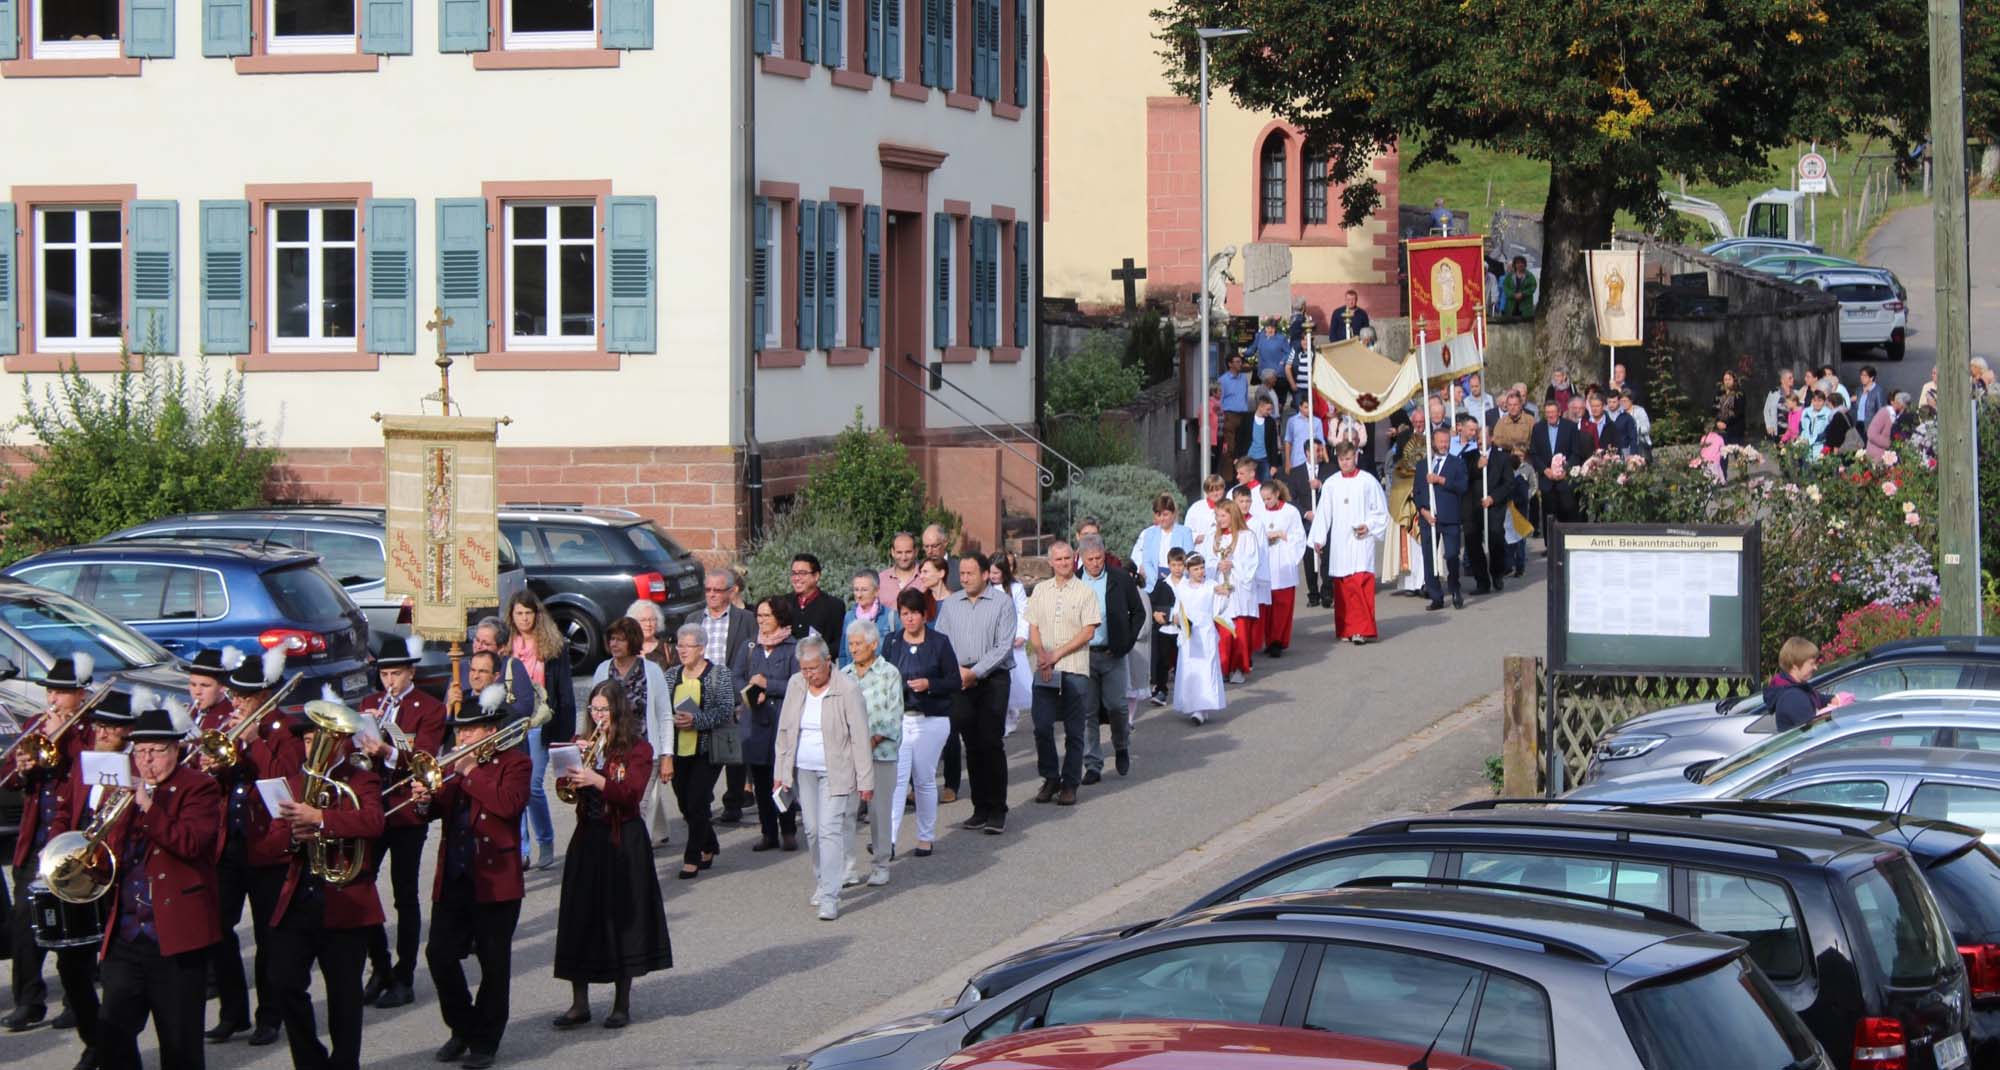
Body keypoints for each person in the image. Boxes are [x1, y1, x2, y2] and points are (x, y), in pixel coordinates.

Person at [93, 698, 220, 1070]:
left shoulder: (199, 787)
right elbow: (107, 852)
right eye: (140, 751)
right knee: (112, 1035)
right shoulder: (122, 789)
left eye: (156, 751)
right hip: (126, 935)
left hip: (176, 935)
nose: (146, 760)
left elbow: (191, 843)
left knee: (179, 1045)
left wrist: (148, 807)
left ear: (176, 750)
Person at [408, 684, 529, 1070]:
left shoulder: (515, 763)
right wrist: (425, 799)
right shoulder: (454, 764)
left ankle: (486, 1041)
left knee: (494, 963)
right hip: (456, 876)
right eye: (459, 731)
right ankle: (463, 1026)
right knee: (439, 955)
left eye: (469, 730)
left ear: (490, 731)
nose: (461, 738)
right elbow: (438, 809)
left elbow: (508, 805)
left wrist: (471, 772)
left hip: (496, 877)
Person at [268, 696, 385, 1070]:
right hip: (300, 898)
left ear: (343, 740)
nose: (314, 746)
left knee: (344, 995)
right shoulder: (291, 784)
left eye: (322, 738)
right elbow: (268, 842)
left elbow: (373, 823)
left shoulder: (362, 779)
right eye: (307, 740)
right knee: (283, 982)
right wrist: (292, 837)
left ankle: (345, 1063)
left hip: (346, 898)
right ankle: (310, 1062)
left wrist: (320, 818)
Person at [550, 680, 673, 1027]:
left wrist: (597, 778)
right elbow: (567, 789)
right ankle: (579, 1003)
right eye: (594, 709)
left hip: (623, 840)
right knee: (580, 916)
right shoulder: (584, 743)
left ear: (618, 710)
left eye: (604, 710)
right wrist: (571, 769)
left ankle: (621, 1003)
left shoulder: (639, 749)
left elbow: (631, 794)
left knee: (622, 919)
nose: (598, 716)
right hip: (588, 837)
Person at [203, 648, 300, 1046]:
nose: (237, 704)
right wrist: (215, 767)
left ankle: (269, 1015)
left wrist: (256, 742)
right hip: (230, 843)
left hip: (268, 845)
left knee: (267, 937)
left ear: (263, 696)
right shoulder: (228, 726)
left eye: (244, 697)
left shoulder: (285, 730)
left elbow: (285, 781)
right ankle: (232, 1013)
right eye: (235, 696)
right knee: (218, 929)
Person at [43, 690, 138, 1069]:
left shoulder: (137, 767)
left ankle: (113, 1047)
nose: (101, 733)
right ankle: (94, 1039)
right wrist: (58, 847)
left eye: (110, 727)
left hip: (116, 876)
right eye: (98, 725)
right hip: (80, 873)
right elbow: (64, 809)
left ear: (128, 731)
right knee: (70, 966)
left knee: (115, 974)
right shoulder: (85, 762)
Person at [1, 655, 94, 1033]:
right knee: (24, 922)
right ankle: (28, 1000)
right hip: (35, 839)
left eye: (61, 692)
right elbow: (9, 777)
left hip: (70, 840)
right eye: (50, 691)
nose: (53, 699)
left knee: (74, 928)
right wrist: (21, 770)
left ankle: (75, 1001)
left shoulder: (90, 732)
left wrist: (62, 738)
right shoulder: (34, 725)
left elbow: (87, 774)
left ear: (81, 694)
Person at [356, 635, 446, 1012]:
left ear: (410, 672)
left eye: (395, 674)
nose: (389, 682)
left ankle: (404, 976)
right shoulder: (370, 704)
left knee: (404, 894)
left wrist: (387, 750)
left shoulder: (429, 708)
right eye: (384, 675)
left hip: (407, 809)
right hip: (371, 806)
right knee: (360, 884)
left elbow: (425, 758)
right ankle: (380, 966)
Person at [772, 638, 874, 920]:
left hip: (836, 771)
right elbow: (784, 731)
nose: (808, 675)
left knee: (829, 830)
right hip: (803, 770)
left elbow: (860, 736)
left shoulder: (847, 689)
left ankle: (830, 894)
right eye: (804, 669)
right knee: (813, 830)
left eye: (813, 668)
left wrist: (865, 780)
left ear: (828, 662)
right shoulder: (796, 684)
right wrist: (780, 773)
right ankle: (822, 880)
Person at [935, 554, 1017, 831]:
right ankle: (980, 807)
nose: (965, 578)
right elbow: (941, 641)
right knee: (971, 744)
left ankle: (997, 809)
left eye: (970, 573)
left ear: (985, 574)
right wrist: (956, 672)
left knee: (991, 742)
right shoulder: (951, 604)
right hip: (960, 678)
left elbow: (1003, 646)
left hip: (992, 678)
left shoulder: (1002, 603)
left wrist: (976, 672)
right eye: (962, 573)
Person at [883, 588, 960, 855]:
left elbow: (954, 681)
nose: (909, 619)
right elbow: (883, 676)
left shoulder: (939, 642)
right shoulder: (892, 642)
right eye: (904, 613)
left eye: (914, 613)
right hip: (900, 719)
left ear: (925, 615)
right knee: (897, 780)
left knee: (924, 779)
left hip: (932, 719)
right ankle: (888, 841)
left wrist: (930, 684)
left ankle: (925, 837)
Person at [1025, 541, 1100, 808]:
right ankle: (1050, 777)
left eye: (1068, 558)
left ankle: (1070, 783)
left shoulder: (1085, 592)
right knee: (1042, 725)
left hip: (1074, 668)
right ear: (1050, 562)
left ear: (1074, 558)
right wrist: (1042, 655)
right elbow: (1033, 627)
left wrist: (1057, 654)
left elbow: (1088, 631)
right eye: (1058, 559)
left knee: (1074, 731)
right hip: (1045, 669)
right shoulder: (1040, 590)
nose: (1064, 563)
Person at [505, 590, 575, 873]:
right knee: (515, 786)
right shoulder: (507, 645)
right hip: (512, 724)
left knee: (532, 786)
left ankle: (545, 841)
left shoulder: (553, 646)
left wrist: (566, 734)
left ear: (537, 615)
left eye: (528, 613)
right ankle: (521, 849)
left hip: (541, 722)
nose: (524, 619)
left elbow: (565, 692)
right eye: (519, 613)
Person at [588, 618, 673, 847]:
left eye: (620, 639)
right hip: (611, 752)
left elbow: (664, 714)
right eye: (612, 639)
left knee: (638, 807)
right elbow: (594, 710)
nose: (614, 644)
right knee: (614, 804)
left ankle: (637, 854)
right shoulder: (603, 669)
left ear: (632, 641)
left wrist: (667, 755)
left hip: (643, 751)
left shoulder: (651, 670)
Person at [661, 623, 736, 881]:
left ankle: (692, 857)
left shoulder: (719, 674)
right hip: (679, 750)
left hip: (708, 749)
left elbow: (725, 709)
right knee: (685, 803)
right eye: (679, 645)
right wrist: (673, 720)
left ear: (701, 648)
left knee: (697, 801)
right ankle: (710, 842)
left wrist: (696, 720)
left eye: (688, 646)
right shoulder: (671, 675)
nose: (682, 651)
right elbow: (662, 709)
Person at [732, 597, 801, 852]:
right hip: (755, 723)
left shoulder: (793, 647)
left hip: (781, 721)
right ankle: (768, 832)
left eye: (766, 616)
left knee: (782, 778)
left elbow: (798, 682)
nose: (761, 621)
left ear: (779, 618)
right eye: (759, 616)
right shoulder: (750, 646)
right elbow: (736, 676)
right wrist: (750, 692)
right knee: (761, 782)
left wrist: (768, 685)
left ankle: (788, 830)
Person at [1075, 537, 1146, 784]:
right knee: (1088, 711)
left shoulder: (1119, 579)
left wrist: (1126, 642)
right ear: (1082, 559)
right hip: (1084, 655)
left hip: (1112, 654)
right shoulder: (1075, 581)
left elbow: (1138, 612)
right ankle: (1092, 764)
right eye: (1090, 559)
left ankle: (1121, 745)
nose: (1095, 563)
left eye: (1099, 558)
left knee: (1117, 706)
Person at [692, 570, 757, 824]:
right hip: (700, 693)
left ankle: (733, 802)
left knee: (732, 752)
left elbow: (753, 653)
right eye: (708, 589)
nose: (711, 595)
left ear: (731, 592)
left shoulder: (746, 619)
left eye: (717, 590)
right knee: (701, 753)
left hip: (732, 692)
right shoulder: (694, 618)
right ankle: (702, 802)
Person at [1309, 442, 1391, 643]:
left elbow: (1381, 511)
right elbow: (1323, 513)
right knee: (1343, 587)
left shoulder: (1368, 481)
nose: (1345, 463)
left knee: (1360, 584)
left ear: (1355, 457)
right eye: (1341, 459)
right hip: (1340, 543)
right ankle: (1346, 628)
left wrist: (1369, 526)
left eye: (1348, 459)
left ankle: (1361, 630)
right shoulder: (1331, 483)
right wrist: (1319, 538)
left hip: (1361, 541)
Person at [843, 620, 903, 886]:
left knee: (879, 812)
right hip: (849, 755)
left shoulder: (889, 673)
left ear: (874, 644)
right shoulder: (843, 674)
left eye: (858, 644)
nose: (853, 649)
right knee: (846, 812)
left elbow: (894, 715)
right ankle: (847, 868)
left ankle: (881, 864)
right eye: (851, 644)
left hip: (881, 753)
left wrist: (871, 739)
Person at [1457, 413, 1515, 596]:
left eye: (1484, 437)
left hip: (1493, 506)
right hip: (1473, 506)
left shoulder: (1502, 458)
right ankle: (1482, 581)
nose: (1480, 441)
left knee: (1496, 539)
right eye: (1478, 438)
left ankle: (1497, 573)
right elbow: (1463, 477)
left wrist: (1493, 498)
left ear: (1491, 438)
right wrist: (1477, 467)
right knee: (1473, 543)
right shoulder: (1469, 456)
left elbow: (1509, 484)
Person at [1416, 425, 1469, 611]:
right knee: (1429, 558)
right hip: (1428, 519)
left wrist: (1441, 480)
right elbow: (1417, 492)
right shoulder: (1423, 465)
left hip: (1450, 518)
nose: (1444, 445)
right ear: (1433, 443)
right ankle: (1436, 596)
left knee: (1452, 555)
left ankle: (1455, 589)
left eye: (1446, 442)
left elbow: (1462, 486)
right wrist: (1424, 511)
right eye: (1440, 442)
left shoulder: (1457, 463)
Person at [446, 617, 535, 725]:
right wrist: (449, 706)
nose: (478, 647)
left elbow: (524, 709)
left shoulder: (513, 666)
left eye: (486, 644)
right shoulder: (462, 667)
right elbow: (447, 711)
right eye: (477, 640)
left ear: (501, 648)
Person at [1211, 500, 1263, 684]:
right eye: (1217, 516)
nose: (1220, 519)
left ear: (1232, 515)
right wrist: (1217, 566)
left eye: (1223, 515)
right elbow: (1207, 561)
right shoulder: (1215, 538)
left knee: (1239, 632)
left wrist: (1233, 564)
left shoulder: (1247, 536)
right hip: (1221, 591)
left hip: (1240, 591)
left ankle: (1238, 668)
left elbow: (1252, 562)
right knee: (1224, 632)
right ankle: (1223, 667)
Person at [1171, 554, 1225, 724]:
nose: (1200, 572)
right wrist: (1177, 618)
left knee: (1206, 669)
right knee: (1191, 669)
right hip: (1189, 634)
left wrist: (1225, 593)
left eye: (1202, 568)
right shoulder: (1182, 587)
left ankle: (1202, 708)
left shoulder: (1210, 585)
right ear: (1188, 570)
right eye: (1196, 569)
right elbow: (1177, 608)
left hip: (1205, 633)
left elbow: (1220, 604)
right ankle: (1193, 704)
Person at [1255, 482, 1306, 657]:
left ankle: (1278, 640)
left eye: (1269, 498)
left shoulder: (1291, 512)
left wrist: (1282, 534)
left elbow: (1299, 537)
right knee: (1267, 606)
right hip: (1266, 562)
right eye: (1263, 499)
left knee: (1282, 605)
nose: (1266, 502)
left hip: (1283, 561)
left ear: (1277, 494)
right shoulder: (1259, 513)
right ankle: (1268, 640)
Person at [988, 553, 1034, 732]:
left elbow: (1023, 612)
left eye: (996, 573)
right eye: (990, 572)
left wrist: (1022, 634)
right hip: (992, 641)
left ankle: (1010, 714)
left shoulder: (1016, 588)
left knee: (1013, 679)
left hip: (1012, 641)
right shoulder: (986, 589)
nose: (993, 576)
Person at [1283, 440, 1330, 608]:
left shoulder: (1329, 470)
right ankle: (1313, 593)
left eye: (1320, 450)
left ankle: (1327, 592)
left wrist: (1320, 485)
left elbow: (1334, 492)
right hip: (1307, 522)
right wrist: (1306, 513)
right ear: (1307, 453)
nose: (1319, 453)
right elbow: (1291, 498)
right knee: (1309, 559)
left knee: (1326, 557)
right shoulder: (1296, 473)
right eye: (1316, 450)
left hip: (1325, 519)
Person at [1527, 399, 1583, 529]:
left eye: (1553, 412)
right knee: (1549, 517)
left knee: (1568, 514)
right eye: (1548, 412)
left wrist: (1565, 470)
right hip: (1547, 480)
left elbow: (1576, 453)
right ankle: (1550, 542)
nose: (1550, 415)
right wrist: (1545, 470)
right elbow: (1534, 454)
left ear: (1559, 412)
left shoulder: (1570, 427)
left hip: (1565, 481)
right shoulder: (1538, 428)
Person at [1766, 637, 1834, 731]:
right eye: (1811, 664)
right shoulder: (1792, 697)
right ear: (1795, 666)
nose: (1815, 668)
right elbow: (1814, 729)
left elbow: (1821, 699)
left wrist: (1837, 699)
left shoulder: (1800, 687)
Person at [1148, 550, 1184, 705]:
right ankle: (1161, 690)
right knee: (1162, 661)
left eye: (1180, 565)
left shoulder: (1188, 585)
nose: (1177, 568)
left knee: (1183, 662)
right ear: (1168, 565)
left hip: (1182, 631)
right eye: (1174, 565)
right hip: (1165, 629)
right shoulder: (1162, 584)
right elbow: (1152, 603)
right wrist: (1155, 613)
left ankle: (1186, 692)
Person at [786, 553, 847, 644]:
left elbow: (839, 643)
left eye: (802, 573)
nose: (797, 578)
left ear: (816, 576)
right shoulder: (783, 603)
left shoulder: (834, 606)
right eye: (794, 573)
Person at [840, 569, 896, 668]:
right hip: (853, 675)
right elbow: (843, 653)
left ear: (877, 591)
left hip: (881, 675)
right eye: (856, 590)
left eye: (864, 590)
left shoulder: (890, 616)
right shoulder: (849, 617)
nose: (859, 595)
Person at [1235, 394, 1280, 483]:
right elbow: (1240, 439)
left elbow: (1273, 444)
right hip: (1248, 458)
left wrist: (1274, 465)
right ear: (1260, 407)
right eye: (1268, 409)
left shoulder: (1270, 422)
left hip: (1264, 459)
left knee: (1266, 485)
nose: (1270, 412)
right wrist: (1237, 456)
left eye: (1271, 409)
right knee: (1247, 484)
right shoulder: (1247, 418)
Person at [1218, 352, 1252, 466]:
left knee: (1242, 447)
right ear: (1230, 364)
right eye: (1237, 362)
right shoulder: (1223, 380)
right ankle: (1227, 474)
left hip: (1243, 416)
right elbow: (1220, 399)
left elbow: (1245, 396)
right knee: (1230, 448)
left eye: (1240, 362)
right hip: (1230, 416)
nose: (1240, 364)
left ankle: (1240, 473)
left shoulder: (1243, 379)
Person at [1281, 394, 1324, 473]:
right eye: (1306, 407)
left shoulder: (1317, 422)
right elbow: (1288, 442)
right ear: (1300, 407)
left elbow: (1321, 443)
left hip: (1313, 461)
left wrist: (1325, 460)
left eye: (1311, 407)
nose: (1309, 410)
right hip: (1296, 461)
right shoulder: (1292, 421)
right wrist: (1287, 462)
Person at [877, 531, 921, 609]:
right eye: (899, 552)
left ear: (916, 552)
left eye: (908, 552)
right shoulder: (881, 580)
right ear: (892, 552)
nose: (904, 557)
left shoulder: (925, 577)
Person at [1186, 474, 1226, 554]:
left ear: (1223, 489)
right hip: (1201, 551)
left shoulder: (1230, 506)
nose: (1215, 493)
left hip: (1224, 550)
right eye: (1211, 491)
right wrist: (1196, 537)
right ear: (1206, 492)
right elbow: (1187, 531)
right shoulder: (1196, 508)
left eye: (1218, 490)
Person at [1867, 391, 1910, 460]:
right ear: (1898, 403)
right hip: (1876, 455)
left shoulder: (1899, 416)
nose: (1904, 410)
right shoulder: (1884, 413)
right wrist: (1890, 444)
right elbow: (1871, 434)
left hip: (1889, 458)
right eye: (1903, 407)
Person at [919, 524, 963, 592]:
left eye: (934, 546)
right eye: (926, 547)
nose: (930, 551)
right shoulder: (918, 570)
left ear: (945, 542)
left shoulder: (960, 569)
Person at [1491, 390, 1533, 455]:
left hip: (1525, 455)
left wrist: (1522, 447)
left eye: (1515, 405)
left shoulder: (1530, 420)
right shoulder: (1501, 422)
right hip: (1506, 455)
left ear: (1520, 405)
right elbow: (1496, 439)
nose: (1512, 407)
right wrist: (1513, 445)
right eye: (1510, 405)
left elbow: (1534, 439)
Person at [1715, 370, 1747, 452]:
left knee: (1737, 454)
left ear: (1734, 380)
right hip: (1721, 430)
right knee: (1723, 454)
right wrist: (1717, 422)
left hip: (1735, 429)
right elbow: (1715, 408)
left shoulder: (1739, 393)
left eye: (1729, 379)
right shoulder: (1719, 393)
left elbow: (1739, 412)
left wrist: (1726, 423)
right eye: (1725, 379)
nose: (1727, 382)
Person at [1764, 369, 1799, 443]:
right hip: (1778, 429)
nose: (1792, 380)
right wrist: (1769, 425)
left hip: (1792, 431)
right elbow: (1766, 410)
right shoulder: (1774, 393)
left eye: (1792, 377)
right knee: (1780, 449)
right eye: (1790, 378)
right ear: (1782, 380)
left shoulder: (1796, 393)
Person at [1851, 365, 1886, 431]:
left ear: (1871, 378)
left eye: (1865, 376)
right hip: (1857, 423)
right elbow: (1854, 408)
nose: (1862, 377)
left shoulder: (1878, 391)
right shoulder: (1859, 390)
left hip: (1870, 425)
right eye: (1861, 375)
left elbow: (1880, 410)